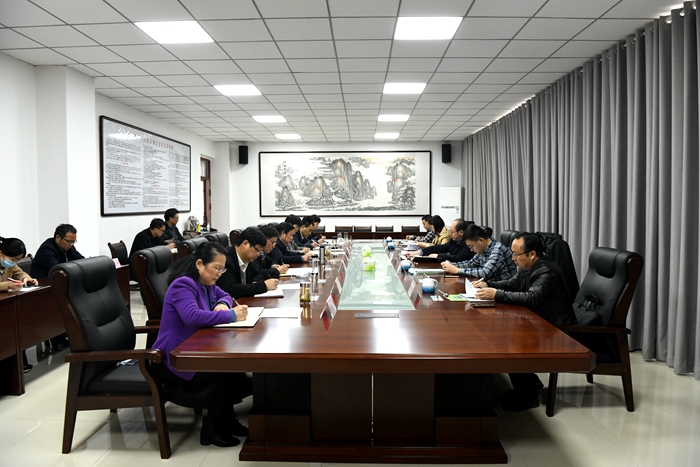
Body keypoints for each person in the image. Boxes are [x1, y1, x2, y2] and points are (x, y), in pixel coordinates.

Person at [151, 241, 251, 448]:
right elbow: (192, 316)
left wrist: (222, 304)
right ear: (199, 264)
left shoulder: (207, 283)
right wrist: (231, 315)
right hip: (174, 358)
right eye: (216, 268)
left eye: (222, 269)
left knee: (234, 370)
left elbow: (225, 294)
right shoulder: (183, 284)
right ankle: (210, 429)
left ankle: (227, 420)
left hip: (195, 347)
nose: (219, 274)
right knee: (225, 373)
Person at [473, 232, 575, 411]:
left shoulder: (547, 271)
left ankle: (528, 396)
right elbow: (513, 283)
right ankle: (530, 382)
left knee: (508, 342)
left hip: (555, 328)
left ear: (532, 254)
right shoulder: (530, 266)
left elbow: (532, 298)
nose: (513, 258)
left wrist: (496, 294)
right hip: (539, 319)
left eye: (516, 254)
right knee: (501, 333)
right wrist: (489, 285)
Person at [1, 237, 40, 374]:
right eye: (14, 259)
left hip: (6, 304)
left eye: (18, 260)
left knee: (18, 324)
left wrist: (26, 278)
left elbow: (19, 272)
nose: (15, 262)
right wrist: (7, 285)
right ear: (1, 253)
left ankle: (18, 362)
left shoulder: (10, 263)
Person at [216, 227, 278, 298]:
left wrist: (256, 282)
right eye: (257, 250)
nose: (258, 254)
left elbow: (258, 274)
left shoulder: (248, 258)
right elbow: (232, 289)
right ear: (245, 244)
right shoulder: (225, 259)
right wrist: (263, 286)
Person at [442, 225, 516, 281]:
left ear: (481, 240)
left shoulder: (498, 250)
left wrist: (457, 270)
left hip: (503, 290)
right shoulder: (483, 249)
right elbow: (471, 263)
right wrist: (452, 265)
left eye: (471, 246)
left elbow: (484, 272)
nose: (471, 250)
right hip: (489, 286)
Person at [406, 219, 473, 262]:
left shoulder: (469, 244)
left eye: (452, 232)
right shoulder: (454, 241)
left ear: (461, 232)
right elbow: (439, 248)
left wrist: (438, 256)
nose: (450, 234)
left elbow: (458, 258)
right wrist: (417, 252)